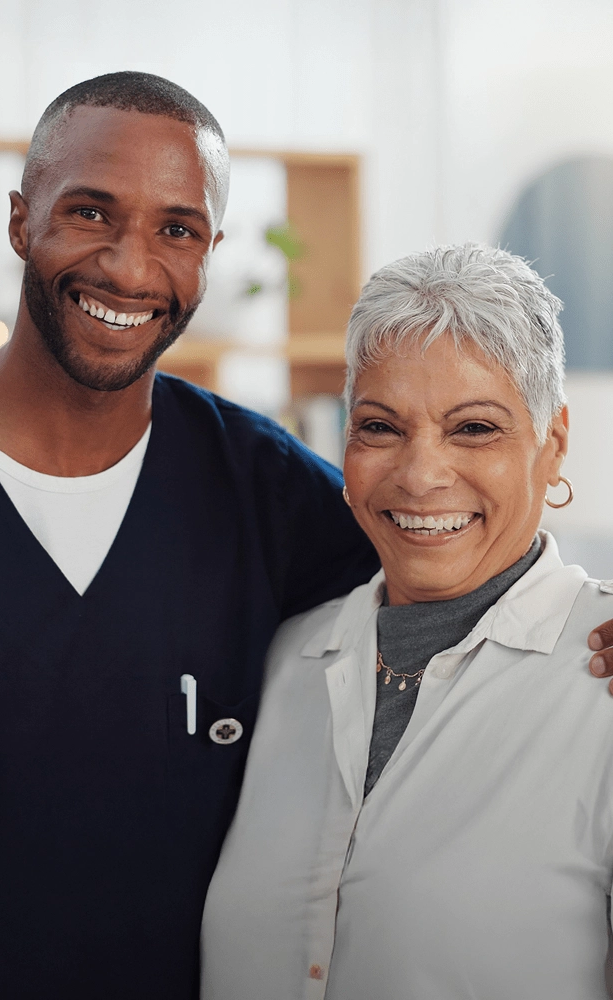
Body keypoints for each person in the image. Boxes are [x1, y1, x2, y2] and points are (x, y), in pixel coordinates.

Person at [0, 72, 378, 999]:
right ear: (22, 220)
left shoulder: (268, 492)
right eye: (91, 213)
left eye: (176, 230)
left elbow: (458, 590)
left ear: (210, 252)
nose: (132, 270)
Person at [202, 244, 613, 1000]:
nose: (421, 475)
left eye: (475, 429)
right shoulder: (288, 657)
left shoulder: (602, 688)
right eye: (381, 428)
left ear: (552, 445)